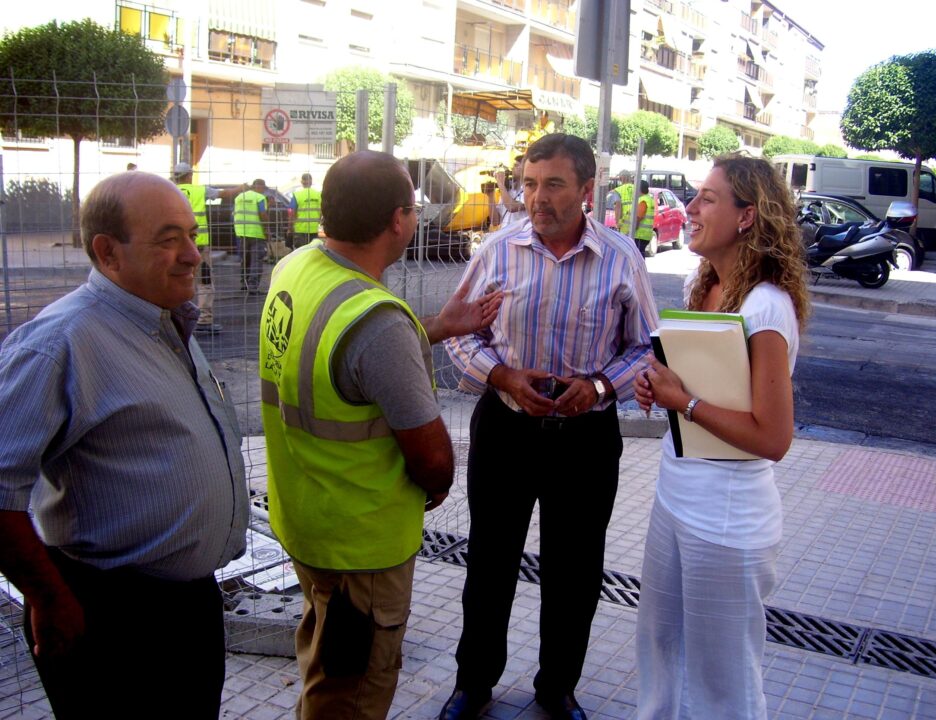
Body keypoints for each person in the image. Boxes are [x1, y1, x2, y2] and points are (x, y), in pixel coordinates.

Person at [260, 150, 502, 720]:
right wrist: (436, 482)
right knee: (356, 694)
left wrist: (439, 326)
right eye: (414, 211)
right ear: (398, 220)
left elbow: (347, 358)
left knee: (325, 668)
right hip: (361, 546)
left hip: (305, 521)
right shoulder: (379, 321)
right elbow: (433, 461)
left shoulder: (296, 268)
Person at [0, 171, 249, 718]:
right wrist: (48, 596)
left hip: (185, 609)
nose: (193, 255)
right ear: (107, 253)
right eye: (168, 239)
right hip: (109, 616)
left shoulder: (164, 319)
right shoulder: (59, 344)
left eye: (192, 233)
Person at [440, 134, 658, 720]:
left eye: (554, 185)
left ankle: (557, 686)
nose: (537, 198)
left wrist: (602, 386)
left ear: (587, 191)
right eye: (530, 184)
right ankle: (474, 683)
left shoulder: (621, 257)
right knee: (490, 559)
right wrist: (503, 377)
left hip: (586, 438)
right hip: (506, 429)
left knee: (576, 568)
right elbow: (459, 332)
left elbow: (646, 347)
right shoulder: (496, 250)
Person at [632, 155, 810, 719]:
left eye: (708, 198)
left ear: (747, 217)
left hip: (727, 522)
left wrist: (682, 400)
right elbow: (702, 399)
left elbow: (773, 437)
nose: (691, 208)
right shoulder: (702, 283)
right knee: (661, 650)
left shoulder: (765, 307)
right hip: (675, 500)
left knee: (722, 681)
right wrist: (661, 392)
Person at [173, 162, 247, 333]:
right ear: (189, 175)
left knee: (179, 279)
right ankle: (204, 320)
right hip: (198, 246)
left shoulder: (169, 192)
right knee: (205, 281)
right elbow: (225, 193)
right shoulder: (200, 190)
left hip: (176, 246)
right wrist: (241, 187)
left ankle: (177, 318)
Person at [235, 178, 271, 294]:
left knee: (245, 259)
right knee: (256, 260)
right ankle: (253, 287)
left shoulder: (239, 197)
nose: (264, 191)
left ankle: (243, 283)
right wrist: (267, 230)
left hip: (241, 232)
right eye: (263, 188)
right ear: (259, 186)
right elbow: (262, 214)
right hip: (256, 233)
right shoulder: (259, 198)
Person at [290, 172, 323, 249]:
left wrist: (290, 227)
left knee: (301, 252)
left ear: (302, 182)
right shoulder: (318, 194)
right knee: (312, 251)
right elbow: (321, 211)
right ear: (311, 181)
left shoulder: (297, 194)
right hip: (313, 228)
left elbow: (292, 212)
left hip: (300, 229)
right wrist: (318, 221)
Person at [634, 180, 655, 254]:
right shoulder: (649, 199)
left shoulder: (643, 200)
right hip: (646, 234)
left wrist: (633, 229)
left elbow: (639, 216)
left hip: (640, 234)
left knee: (638, 254)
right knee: (640, 253)